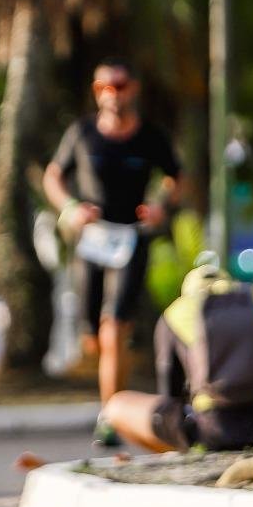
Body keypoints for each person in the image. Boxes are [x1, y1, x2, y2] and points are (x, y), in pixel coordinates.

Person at [43, 57, 181, 420]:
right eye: (104, 87)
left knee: (115, 325)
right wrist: (70, 207)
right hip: (92, 239)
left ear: (132, 89)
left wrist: (160, 205)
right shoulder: (82, 133)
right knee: (94, 335)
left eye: (119, 86)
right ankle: (115, 397)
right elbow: (53, 176)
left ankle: (110, 416)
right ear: (96, 91)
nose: (112, 94)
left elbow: (176, 178)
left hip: (132, 238)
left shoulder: (151, 136)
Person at [104, 261, 253, 453]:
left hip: (213, 433)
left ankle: (182, 454)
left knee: (116, 405)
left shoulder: (175, 312)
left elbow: (171, 395)